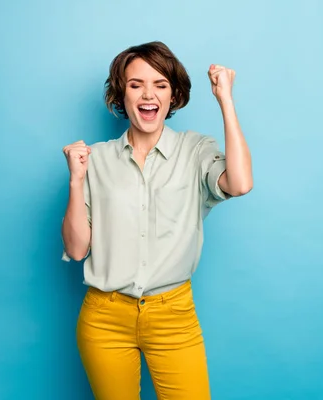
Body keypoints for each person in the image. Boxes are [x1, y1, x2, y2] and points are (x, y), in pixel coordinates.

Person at [60, 41, 253, 400]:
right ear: (121, 94)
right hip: (104, 318)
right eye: (135, 84)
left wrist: (225, 99)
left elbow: (239, 183)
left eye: (160, 84)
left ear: (174, 94)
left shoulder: (196, 150)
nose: (148, 94)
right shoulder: (96, 159)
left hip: (173, 315)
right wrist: (76, 180)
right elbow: (76, 247)